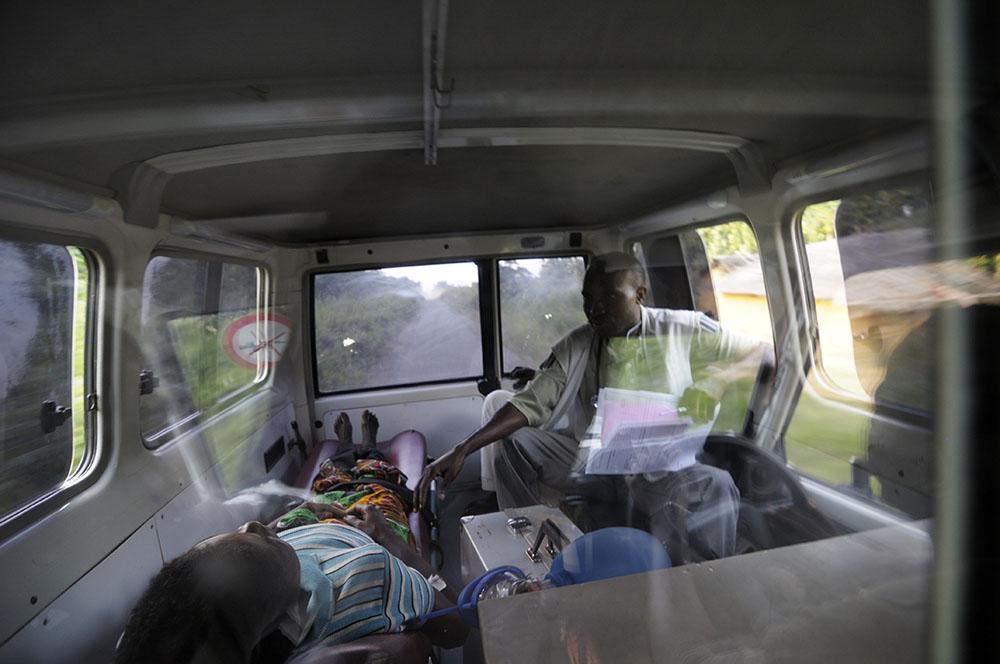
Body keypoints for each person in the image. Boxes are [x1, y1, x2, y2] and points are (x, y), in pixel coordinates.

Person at [416, 252, 771, 562]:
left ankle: (709, 577)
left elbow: (758, 353)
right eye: (588, 298)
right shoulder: (580, 342)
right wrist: (463, 448)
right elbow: (530, 403)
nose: (594, 309)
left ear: (639, 294)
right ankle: (533, 534)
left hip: (660, 468)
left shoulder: (682, 327)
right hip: (591, 461)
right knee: (515, 441)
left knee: (718, 484)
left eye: (608, 298)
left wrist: (714, 383)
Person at [114, 505, 466, 664]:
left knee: (318, 492)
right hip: (366, 523)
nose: (253, 525)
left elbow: (264, 547)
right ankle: (368, 456)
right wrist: (392, 541)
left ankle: (348, 455)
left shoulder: (268, 583)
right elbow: (457, 626)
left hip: (315, 517)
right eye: (264, 538)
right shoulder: (370, 575)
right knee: (375, 487)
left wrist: (295, 517)